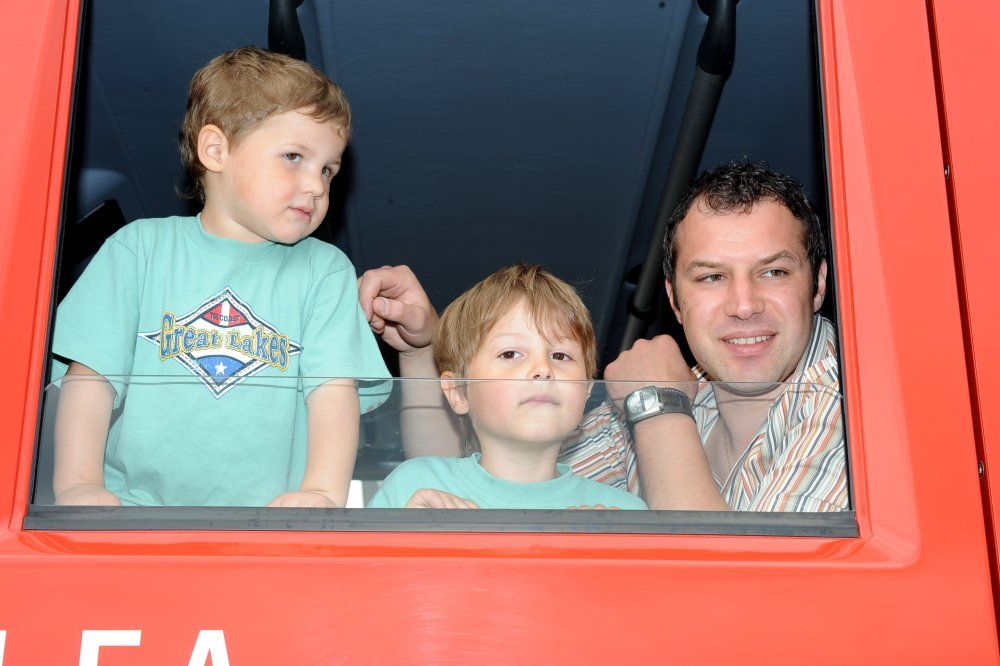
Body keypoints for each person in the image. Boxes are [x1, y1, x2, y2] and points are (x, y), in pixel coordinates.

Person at [359, 161, 846, 512]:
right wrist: (424, 352)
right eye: (711, 277)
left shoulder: (858, 415)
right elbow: (477, 481)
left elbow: (734, 597)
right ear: (675, 299)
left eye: (774, 272)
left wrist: (658, 405)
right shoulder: (657, 394)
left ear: (820, 283)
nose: (744, 305)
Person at [51, 46, 389, 507]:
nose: (316, 185)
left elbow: (334, 394)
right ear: (216, 150)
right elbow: (91, 378)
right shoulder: (139, 250)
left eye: (328, 170)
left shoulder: (324, 271)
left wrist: (321, 494)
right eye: (294, 156)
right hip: (133, 514)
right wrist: (79, 485)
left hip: (267, 525)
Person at [367, 264, 646, 510]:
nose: (543, 369)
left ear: (586, 391)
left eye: (561, 356)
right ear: (458, 391)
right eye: (510, 354)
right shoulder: (415, 488)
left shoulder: (622, 515)